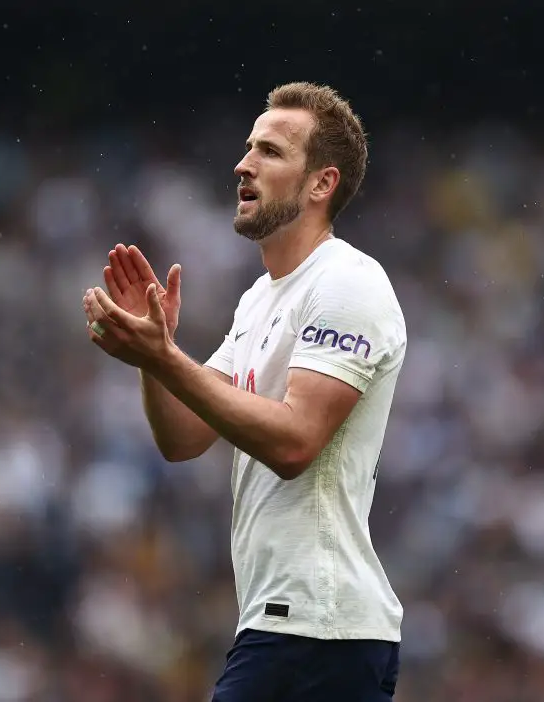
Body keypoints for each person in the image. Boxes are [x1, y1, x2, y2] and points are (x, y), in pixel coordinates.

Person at [82, 81, 406, 701]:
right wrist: (158, 354)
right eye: (248, 147)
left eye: (270, 151)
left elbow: (294, 443)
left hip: (317, 628)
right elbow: (183, 437)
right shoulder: (261, 298)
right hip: (289, 627)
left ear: (321, 184)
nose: (243, 163)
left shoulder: (347, 282)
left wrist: (164, 357)